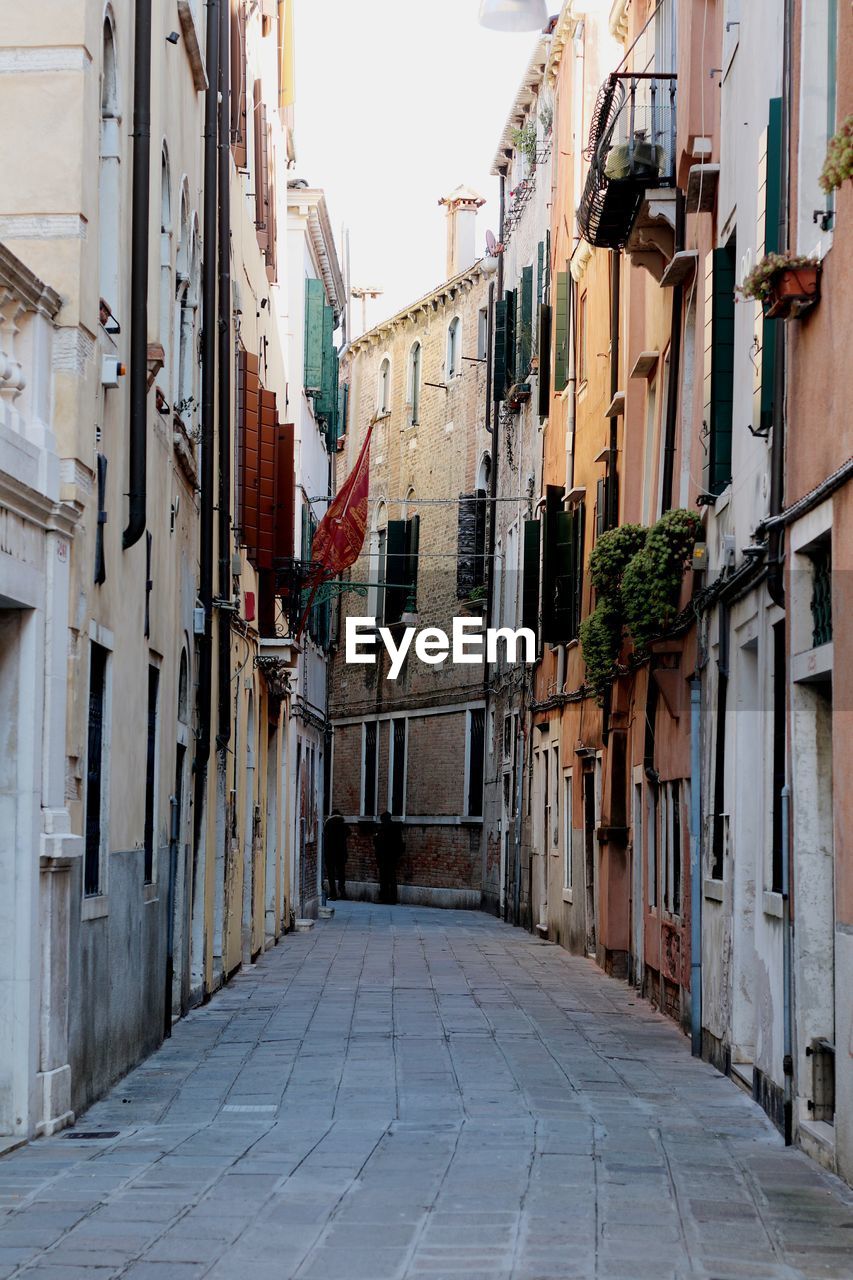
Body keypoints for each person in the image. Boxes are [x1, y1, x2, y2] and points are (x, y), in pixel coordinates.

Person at [374, 811, 404, 905]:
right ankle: (393, 898)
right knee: (392, 878)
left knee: (384, 878)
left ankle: (384, 897)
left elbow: (378, 844)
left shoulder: (382, 829)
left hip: (384, 857)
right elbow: (400, 843)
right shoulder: (396, 828)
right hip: (392, 857)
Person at [323, 810, 348, 900]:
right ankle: (343, 892)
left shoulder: (328, 824)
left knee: (331, 874)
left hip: (330, 853)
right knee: (341, 874)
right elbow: (348, 833)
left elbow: (325, 837)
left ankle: (333, 894)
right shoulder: (343, 824)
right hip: (341, 853)